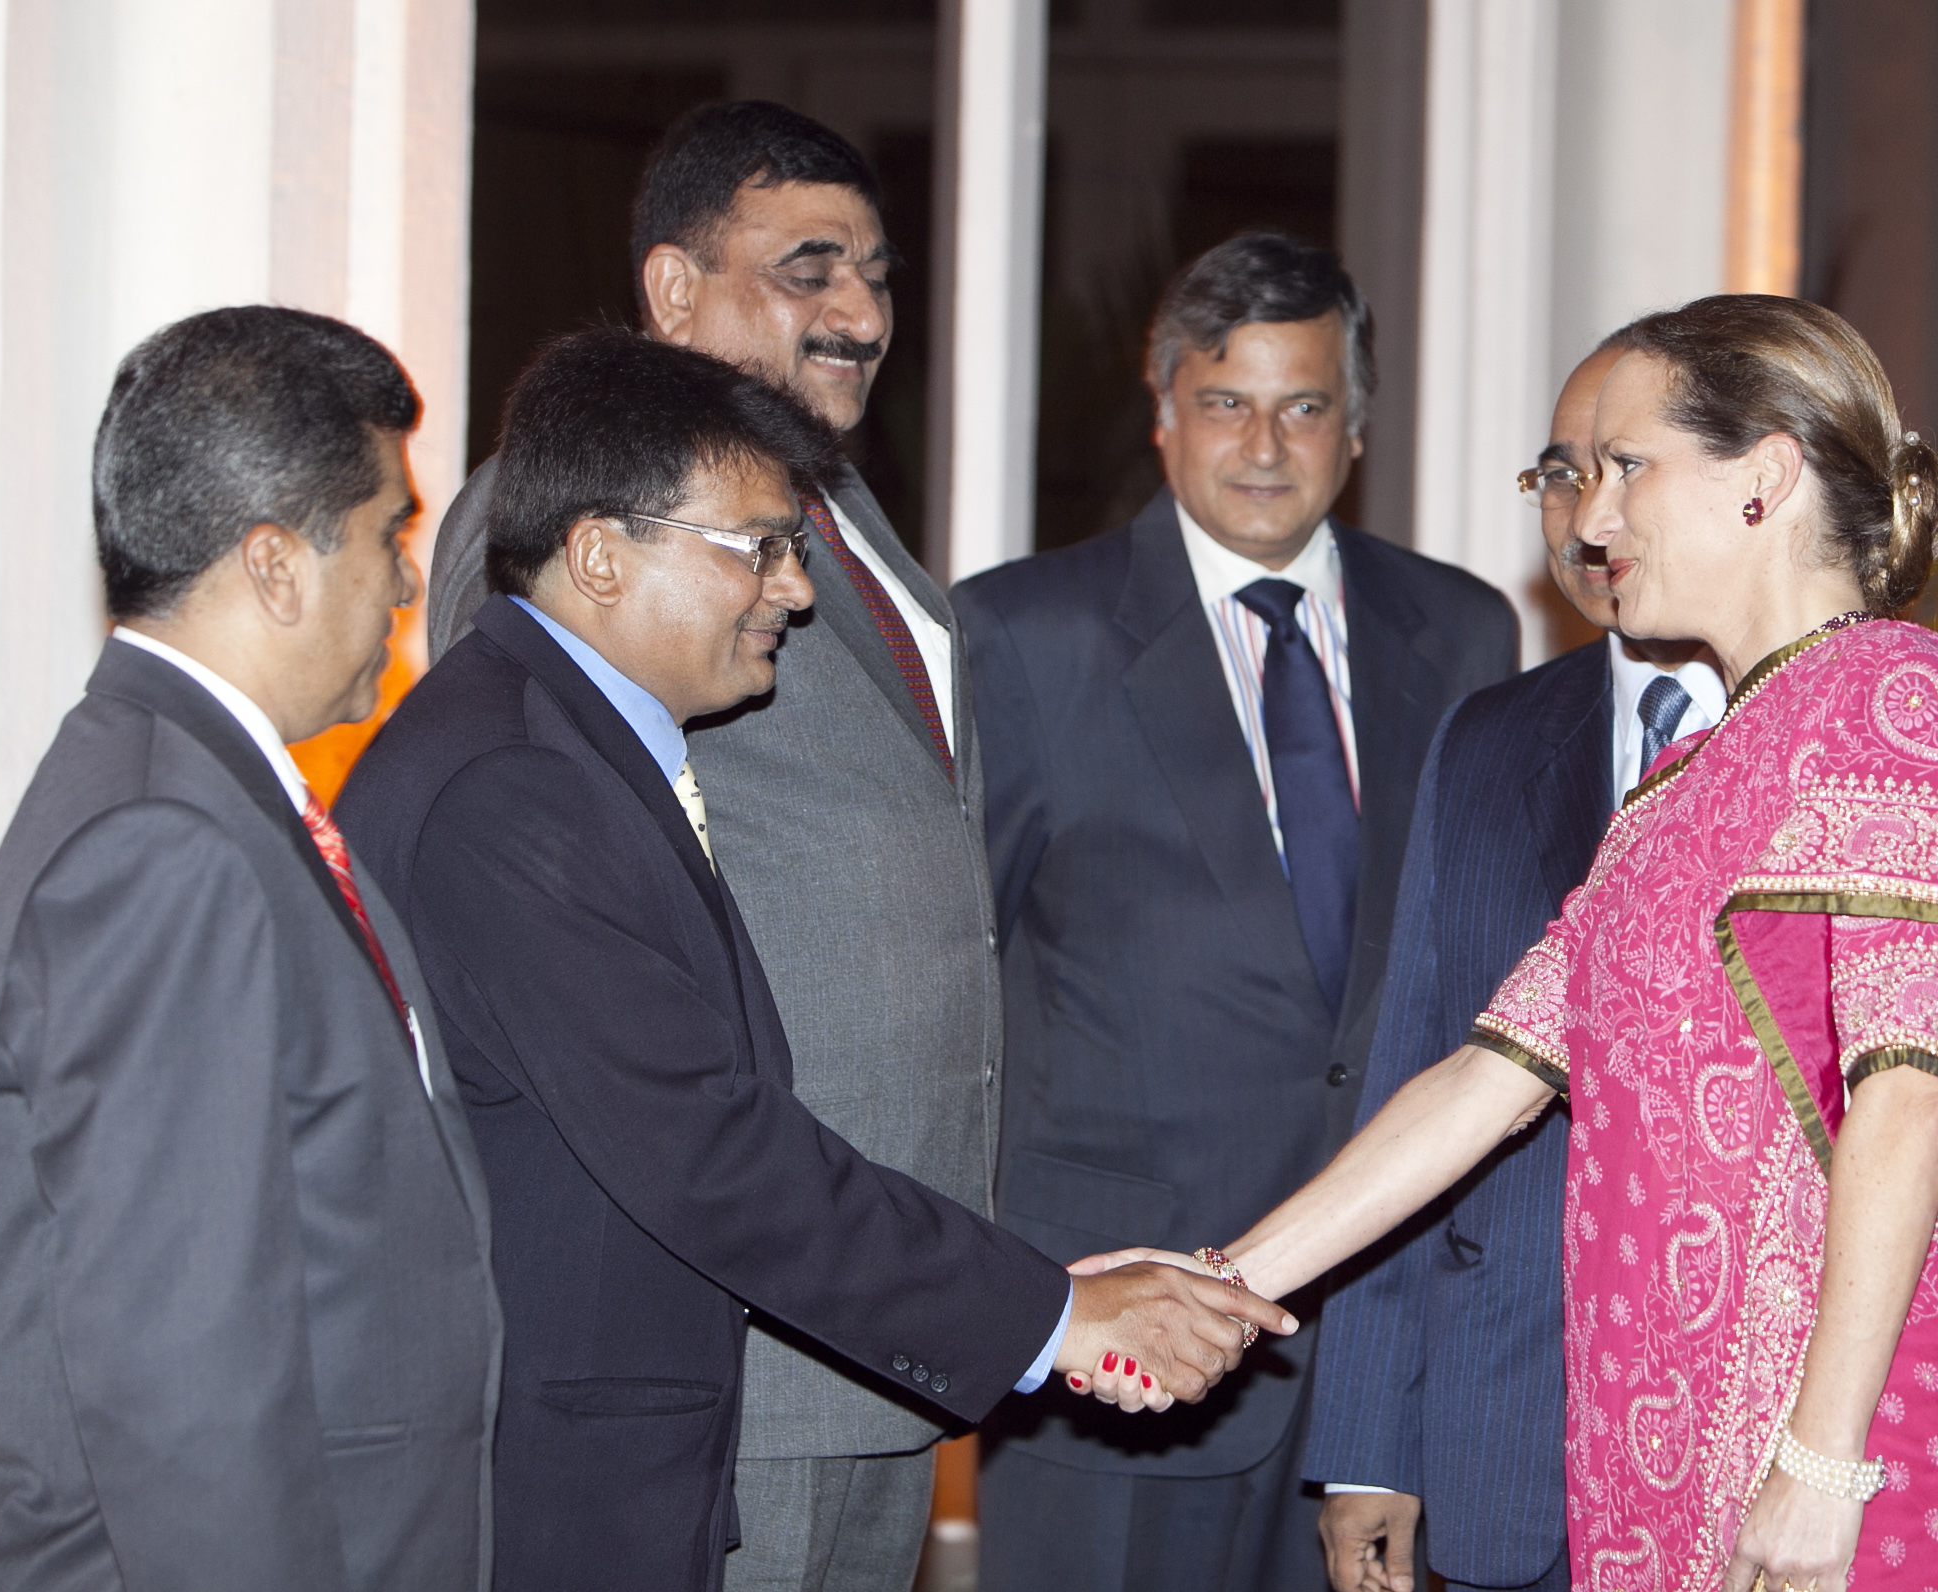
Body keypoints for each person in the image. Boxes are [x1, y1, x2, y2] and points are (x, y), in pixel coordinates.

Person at [1084, 294, 1938, 1591]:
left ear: (1764, 478)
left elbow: (1908, 1096)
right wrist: (1213, 1282)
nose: (1593, 520)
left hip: (1848, 1446)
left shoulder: (1897, 701)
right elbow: (1483, 1082)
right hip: (1661, 1450)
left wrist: (1823, 1462)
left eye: (1627, 468)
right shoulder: (1683, 785)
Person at [336, 329, 1284, 1592]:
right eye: (758, 549)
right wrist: (1052, 1314)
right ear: (601, 555)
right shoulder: (513, 784)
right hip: (562, 1485)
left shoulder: (565, 745)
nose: (792, 591)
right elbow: (709, 1149)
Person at [426, 102, 1014, 1592]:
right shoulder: (567, 514)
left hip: (889, 1298)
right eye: (808, 267)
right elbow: (547, 873)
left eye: (878, 273)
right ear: (673, 289)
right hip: (743, 1301)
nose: (863, 311)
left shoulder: (838, 507)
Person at [953, 233, 1518, 1592]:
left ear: (1358, 426)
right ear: (1163, 415)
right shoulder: (1017, 639)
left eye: (1305, 404)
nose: (1265, 444)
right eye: (1226, 402)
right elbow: (950, 979)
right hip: (1120, 1360)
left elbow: (1471, 998)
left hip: (1379, 1356)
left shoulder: (1463, 635)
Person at [0, 307, 502, 1590]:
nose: (410, 581)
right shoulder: (162, 838)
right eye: (388, 532)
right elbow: (184, 1381)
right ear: (274, 563)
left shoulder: (214, 794)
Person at [1303, 337, 1726, 1592]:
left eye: (1622, 467)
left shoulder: (1826, 732)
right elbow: (1416, 1067)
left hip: (1753, 1452)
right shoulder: (1487, 738)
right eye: (1558, 471)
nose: (1587, 512)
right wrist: (1367, 1440)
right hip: (1506, 1442)